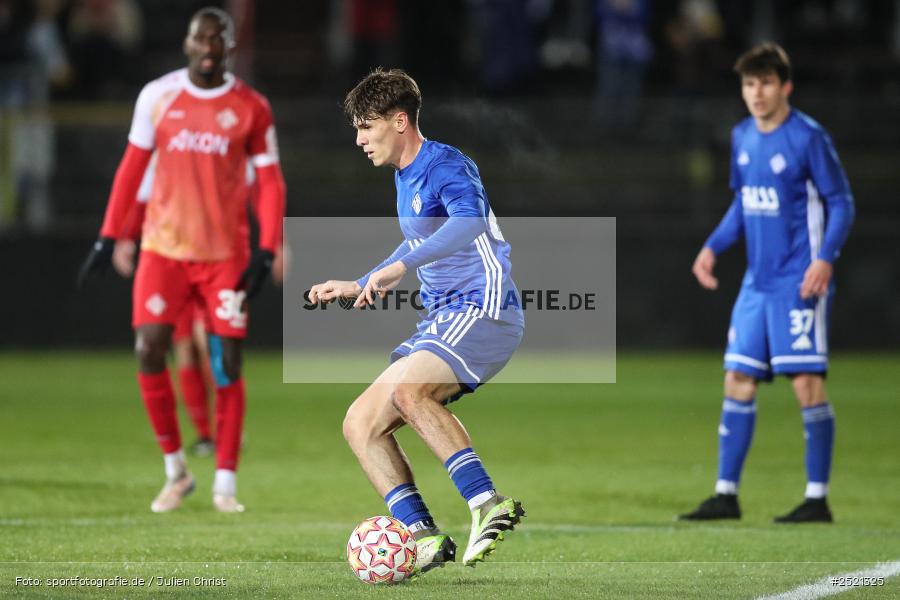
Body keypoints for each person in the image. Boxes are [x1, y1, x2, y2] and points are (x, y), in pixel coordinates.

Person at [308, 68, 525, 572]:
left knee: (411, 392)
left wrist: (400, 268)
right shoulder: (405, 177)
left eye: (367, 127)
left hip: (483, 305)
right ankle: (421, 536)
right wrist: (365, 281)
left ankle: (486, 502)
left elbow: (467, 223)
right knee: (361, 423)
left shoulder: (446, 164)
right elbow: (417, 240)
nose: (359, 140)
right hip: (446, 313)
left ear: (399, 121)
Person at [78, 7, 286, 513]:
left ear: (230, 47)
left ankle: (225, 485)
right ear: (188, 44)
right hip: (163, 251)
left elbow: (271, 182)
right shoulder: (157, 96)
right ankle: (176, 471)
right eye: (202, 39)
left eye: (219, 40)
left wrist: (266, 247)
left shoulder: (252, 107)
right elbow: (131, 170)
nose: (210, 48)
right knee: (149, 350)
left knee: (228, 363)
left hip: (223, 258)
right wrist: (109, 238)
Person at [679, 43, 854, 523]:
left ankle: (817, 498)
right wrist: (713, 247)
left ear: (785, 87)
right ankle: (726, 494)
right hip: (757, 285)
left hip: (800, 282)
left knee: (806, 384)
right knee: (737, 378)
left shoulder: (808, 138)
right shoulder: (742, 136)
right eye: (749, 84)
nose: (757, 93)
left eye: (766, 83)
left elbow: (841, 202)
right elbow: (744, 203)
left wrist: (824, 259)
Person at [112, 159, 215, 457]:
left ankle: (225, 426)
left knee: (205, 343)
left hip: (209, 265)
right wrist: (124, 239)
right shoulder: (159, 159)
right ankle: (205, 435)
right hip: (172, 268)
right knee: (183, 348)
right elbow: (140, 202)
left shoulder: (207, 157)